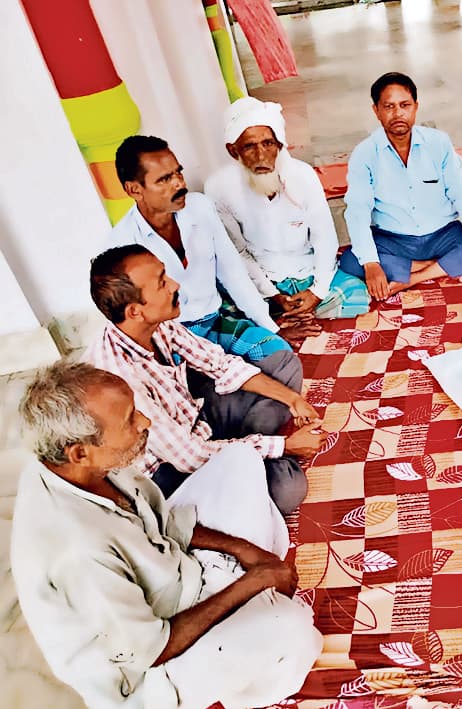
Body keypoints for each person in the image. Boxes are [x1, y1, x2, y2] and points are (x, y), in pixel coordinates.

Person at [11, 361, 322, 709]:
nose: (145, 421)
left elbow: (163, 522)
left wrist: (247, 552)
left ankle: (241, 597)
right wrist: (251, 583)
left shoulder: (85, 465)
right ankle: (246, 688)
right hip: (149, 673)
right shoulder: (76, 550)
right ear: (80, 452)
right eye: (130, 418)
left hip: (178, 574)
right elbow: (152, 649)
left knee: (240, 459)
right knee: (296, 628)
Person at [86, 245, 326, 515]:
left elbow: (220, 365)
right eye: (162, 283)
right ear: (134, 312)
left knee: (283, 365)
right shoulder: (119, 379)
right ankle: (252, 454)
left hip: (197, 419)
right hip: (170, 471)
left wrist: (292, 399)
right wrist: (284, 446)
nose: (175, 285)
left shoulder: (158, 323)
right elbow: (189, 457)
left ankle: (247, 451)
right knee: (287, 488)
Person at [111, 135, 321, 362]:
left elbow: (232, 273)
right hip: (172, 337)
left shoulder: (200, 207)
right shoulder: (122, 245)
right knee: (209, 383)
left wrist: (272, 329)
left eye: (178, 173)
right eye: (164, 179)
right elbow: (133, 321)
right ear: (134, 190)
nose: (179, 184)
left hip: (217, 320)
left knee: (276, 353)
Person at [339, 71, 462, 300]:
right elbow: (357, 211)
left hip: (443, 235)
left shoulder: (438, 143)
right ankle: (438, 267)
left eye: (404, 105)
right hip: (394, 239)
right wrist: (370, 263)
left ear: (416, 107)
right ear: (376, 110)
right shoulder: (364, 154)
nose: (398, 113)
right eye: (389, 106)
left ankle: (413, 276)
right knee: (351, 261)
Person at [205, 96, 370, 320]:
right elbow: (238, 252)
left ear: (279, 145)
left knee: (356, 295)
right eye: (249, 147)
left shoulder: (302, 175)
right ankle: (283, 312)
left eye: (268, 144)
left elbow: (324, 238)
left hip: (307, 270)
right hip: (261, 278)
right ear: (233, 151)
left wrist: (317, 292)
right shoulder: (219, 187)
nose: (261, 155)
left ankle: (285, 316)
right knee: (226, 307)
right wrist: (273, 295)